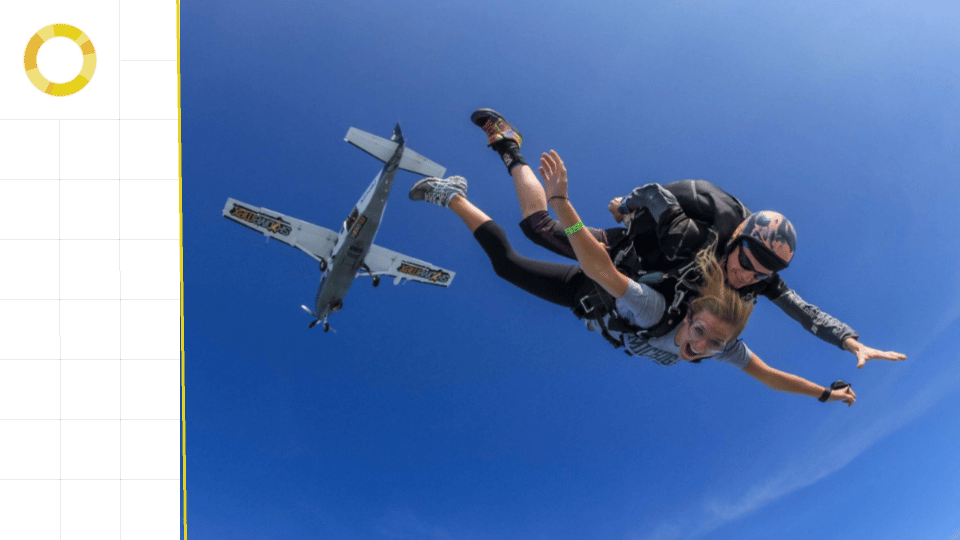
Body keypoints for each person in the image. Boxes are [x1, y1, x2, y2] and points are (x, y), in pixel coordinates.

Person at [408, 150, 857, 406]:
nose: (700, 347)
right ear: (689, 313)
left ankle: (458, 195)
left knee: (506, 266)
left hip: (592, 300)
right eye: (701, 333)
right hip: (615, 264)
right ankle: (505, 154)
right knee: (536, 229)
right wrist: (584, 205)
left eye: (712, 345)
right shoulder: (664, 293)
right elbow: (602, 265)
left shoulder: (724, 338)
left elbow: (773, 373)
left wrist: (833, 378)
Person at [469, 108, 906, 370]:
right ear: (737, 237)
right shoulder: (707, 215)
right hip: (629, 249)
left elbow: (803, 311)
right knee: (537, 227)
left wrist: (850, 341)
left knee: (520, 261)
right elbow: (656, 193)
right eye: (746, 263)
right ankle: (509, 147)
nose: (746, 277)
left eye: (761, 275)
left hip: (639, 285)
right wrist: (626, 207)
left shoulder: (757, 279)